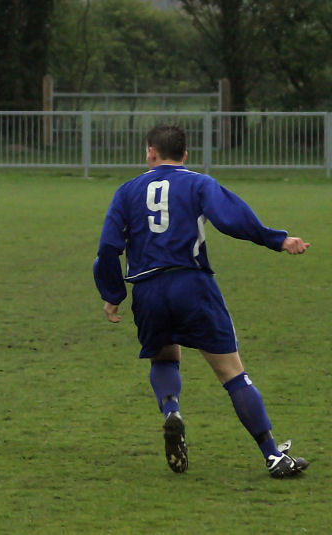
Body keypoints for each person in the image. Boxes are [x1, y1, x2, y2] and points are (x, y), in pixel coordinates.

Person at [93, 124, 311, 478]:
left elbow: (107, 247)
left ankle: (171, 411)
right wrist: (277, 240)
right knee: (231, 372)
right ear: (185, 155)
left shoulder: (127, 191)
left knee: (164, 355)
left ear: (150, 152)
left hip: (147, 290)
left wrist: (112, 293)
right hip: (190, 284)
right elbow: (231, 219)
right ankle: (273, 456)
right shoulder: (198, 183)